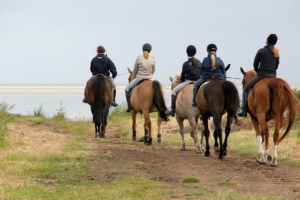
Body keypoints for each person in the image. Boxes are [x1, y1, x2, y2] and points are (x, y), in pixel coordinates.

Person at [237, 34, 280, 117]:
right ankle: (283, 113)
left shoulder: (261, 51)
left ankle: (244, 110)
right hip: (273, 76)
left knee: (245, 89)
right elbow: (276, 66)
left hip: (261, 75)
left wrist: (258, 71)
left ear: (267, 40)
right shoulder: (276, 52)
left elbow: (255, 65)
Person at [166, 45, 201, 117]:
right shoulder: (199, 62)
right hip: (198, 82)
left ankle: (172, 111)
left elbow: (182, 78)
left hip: (188, 81)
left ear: (187, 53)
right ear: (195, 53)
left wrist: (184, 78)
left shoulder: (185, 64)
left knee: (173, 92)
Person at [125, 43, 156, 112]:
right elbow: (153, 70)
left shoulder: (139, 58)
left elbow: (135, 70)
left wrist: (136, 75)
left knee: (127, 89)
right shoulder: (153, 59)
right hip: (150, 78)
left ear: (142, 50)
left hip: (139, 78)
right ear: (150, 51)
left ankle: (129, 106)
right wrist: (149, 75)